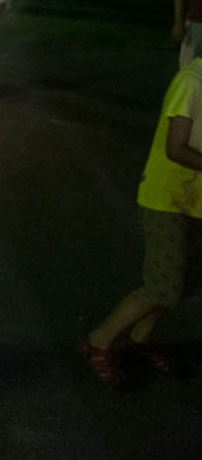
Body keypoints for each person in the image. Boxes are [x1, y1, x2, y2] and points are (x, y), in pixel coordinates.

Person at [82, 56, 202, 388]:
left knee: (181, 283)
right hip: (167, 199)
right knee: (162, 284)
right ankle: (99, 341)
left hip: (197, 203)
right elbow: (175, 148)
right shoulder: (191, 81)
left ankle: (141, 338)